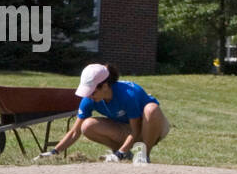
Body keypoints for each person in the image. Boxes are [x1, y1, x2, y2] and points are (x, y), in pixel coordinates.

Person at [38, 64, 170, 164]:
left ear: (105, 86)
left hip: (150, 128)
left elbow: (135, 131)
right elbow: (75, 132)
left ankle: (143, 155)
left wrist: (120, 154)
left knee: (151, 109)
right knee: (87, 126)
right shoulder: (89, 99)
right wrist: (54, 152)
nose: (89, 96)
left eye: (92, 91)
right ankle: (125, 153)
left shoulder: (128, 95)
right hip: (126, 129)